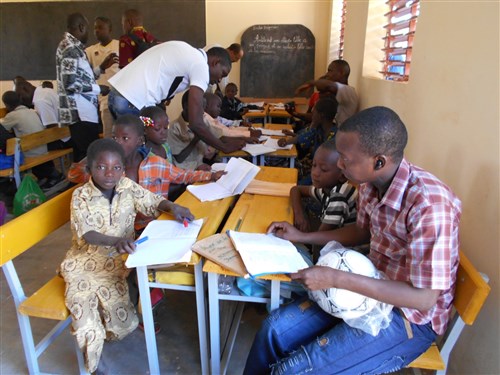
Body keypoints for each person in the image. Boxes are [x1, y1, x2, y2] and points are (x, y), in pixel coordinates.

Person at [245, 106, 462, 374]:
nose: (339, 164)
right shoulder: (371, 184)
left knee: (294, 369)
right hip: (367, 285)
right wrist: (302, 235)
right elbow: (361, 231)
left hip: (409, 318)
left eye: (346, 159)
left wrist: (335, 279)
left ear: (378, 161)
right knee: (273, 331)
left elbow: (424, 299)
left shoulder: (429, 205)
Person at [59, 138, 193, 374]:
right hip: (86, 261)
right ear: (89, 169)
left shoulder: (126, 186)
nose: (110, 173)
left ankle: (107, 333)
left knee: (122, 320)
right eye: (101, 167)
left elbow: (152, 200)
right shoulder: (81, 196)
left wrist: (173, 207)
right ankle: (93, 363)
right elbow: (87, 233)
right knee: (83, 310)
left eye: (117, 167)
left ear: (123, 167)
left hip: (121, 260)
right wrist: (116, 241)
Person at [68, 114, 224, 230]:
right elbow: (73, 175)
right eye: (114, 138)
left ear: (140, 140)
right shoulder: (108, 170)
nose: (118, 143)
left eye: (125, 138)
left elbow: (182, 175)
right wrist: (94, 156)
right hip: (120, 231)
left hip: (153, 224)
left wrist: (210, 175)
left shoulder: (155, 163)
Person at [108, 41, 245, 154]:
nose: (220, 79)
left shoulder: (187, 51)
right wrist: (223, 146)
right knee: (145, 152)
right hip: (132, 103)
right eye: (222, 73)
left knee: (129, 150)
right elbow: (196, 123)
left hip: (117, 97)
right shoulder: (201, 65)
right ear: (215, 62)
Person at [56, 12, 110, 162]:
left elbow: (81, 77)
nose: (90, 33)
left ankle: (82, 183)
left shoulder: (75, 47)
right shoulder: (70, 48)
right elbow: (70, 83)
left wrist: (101, 68)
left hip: (84, 111)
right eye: (87, 28)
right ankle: (84, 184)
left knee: (85, 155)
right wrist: (99, 89)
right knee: (88, 156)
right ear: (81, 27)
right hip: (80, 113)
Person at [290, 139, 357, 234]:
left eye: (324, 169)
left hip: (346, 247)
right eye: (314, 165)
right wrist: (299, 215)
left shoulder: (340, 193)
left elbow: (322, 234)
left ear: (342, 176)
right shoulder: (325, 189)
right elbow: (296, 190)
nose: (315, 173)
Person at [0, 91, 65, 189]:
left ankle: (53, 175)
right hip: (42, 147)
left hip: (31, 152)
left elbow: (2, 128)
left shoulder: (12, 116)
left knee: (11, 152)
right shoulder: (31, 111)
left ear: (6, 105)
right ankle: (49, 175)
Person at [278, 97, 338, 185]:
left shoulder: (335, 136)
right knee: (285, 170)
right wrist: (286, 142)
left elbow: (326, 167)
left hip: (323, 175)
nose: (312, 116)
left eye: (313, 114)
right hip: (312, 167)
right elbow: (303, 137)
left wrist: (313, 123)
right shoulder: (319, 129)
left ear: (321, 116)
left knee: (292, 182)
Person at [295, 59, 358, 126]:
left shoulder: (349, 91)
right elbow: (315, 117)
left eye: (330, 71)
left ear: (342, 72)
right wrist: (295, 114)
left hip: (337, 135)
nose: (327, 74)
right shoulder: (335, 94)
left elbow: (328, 85)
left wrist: (310, 83)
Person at [86, 16, 120, 138]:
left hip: (121, 98)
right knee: (108, 135)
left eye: (101, 27)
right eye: (95, 28)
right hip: (104, 100)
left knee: (124, 133)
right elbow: (86, 74)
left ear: (109, 29)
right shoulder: (90, 51)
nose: (97, 31)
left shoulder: (119, 45)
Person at [168, 91, 219, 171]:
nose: (202, 112)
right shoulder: (174, 128)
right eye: (199, 107)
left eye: (204, 108)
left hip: (201, 165)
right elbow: (179, 159)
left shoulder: (203, 122)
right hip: (185, 171)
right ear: (186, 106)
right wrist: (196, 138)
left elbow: (217, 137)